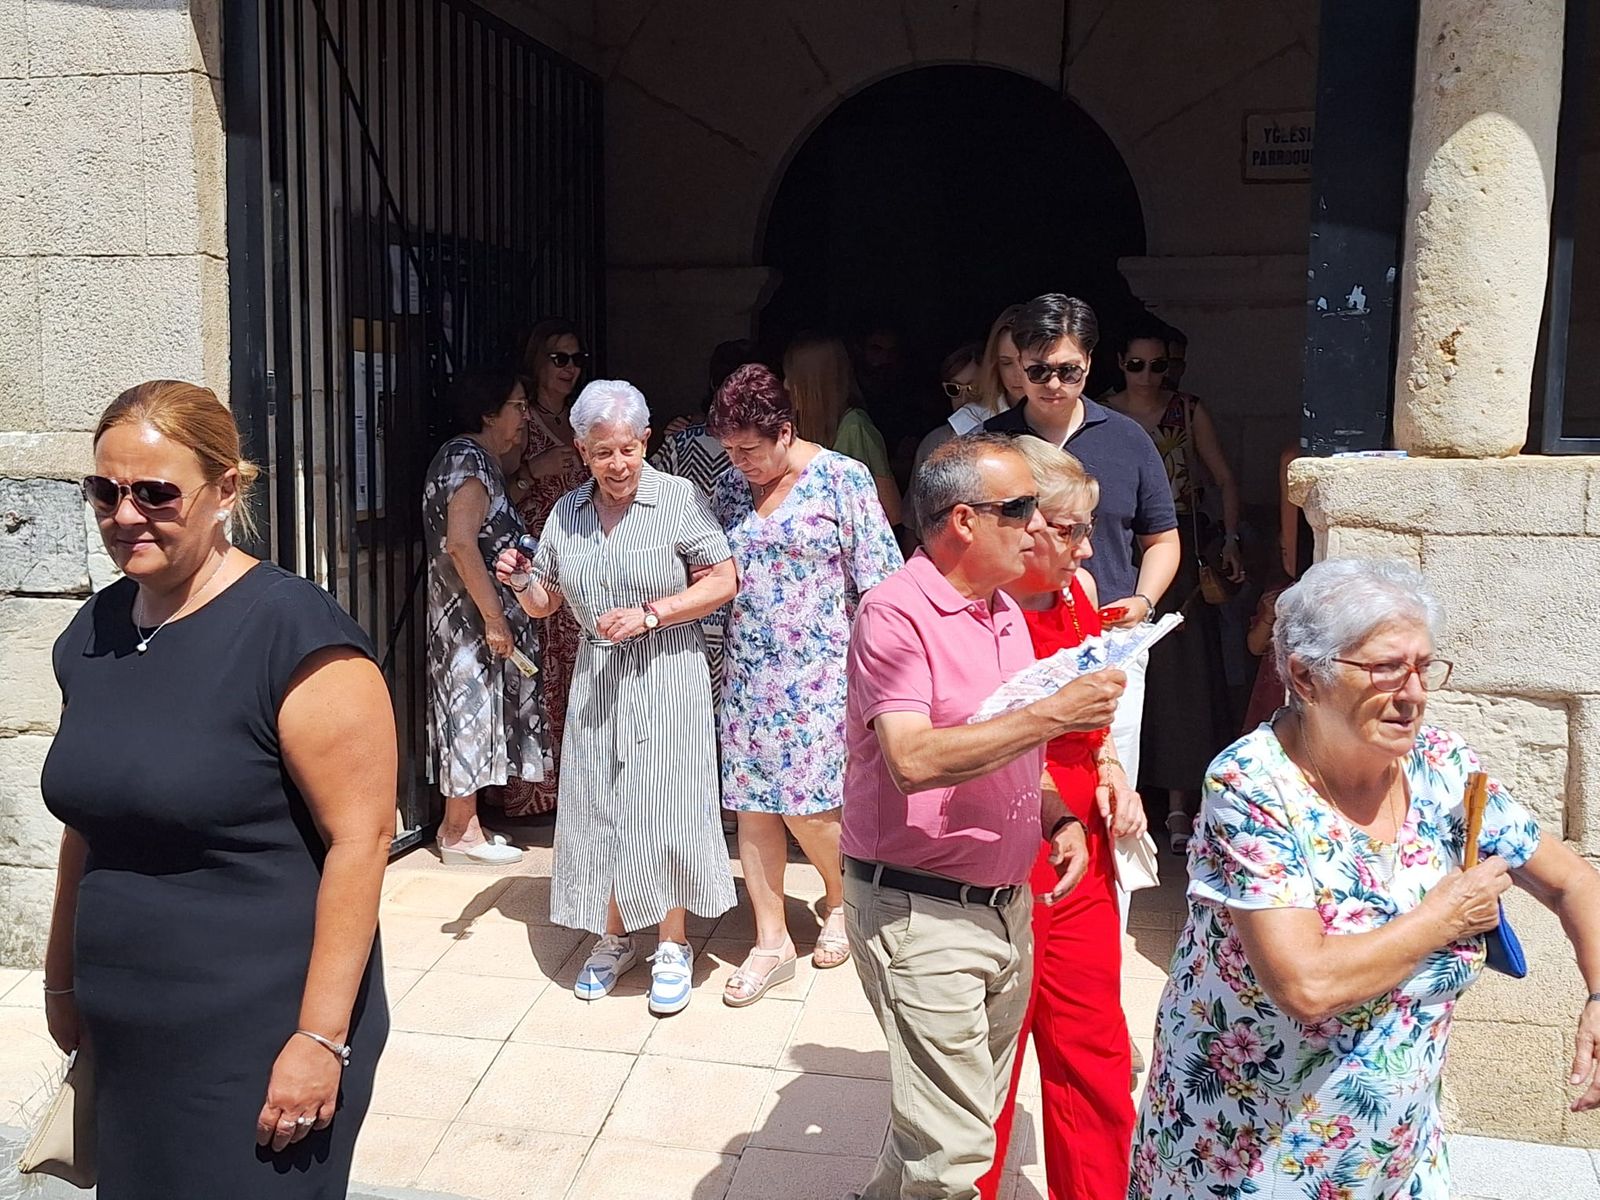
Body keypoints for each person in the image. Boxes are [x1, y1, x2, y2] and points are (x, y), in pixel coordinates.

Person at [1131, 558, 1600, 1199]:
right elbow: (1308, 983)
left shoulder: (1441, 766)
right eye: (1385, 668)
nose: (1414, 693)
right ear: (1305, 676)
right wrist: (1445, 917)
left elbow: (1572, 880)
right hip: (1252, 1153)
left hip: (1394, 1149)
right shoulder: (1253, 786)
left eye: (1423, 666)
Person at [41, 380, 393, 1198]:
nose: (125, 515)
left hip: (259, 1035)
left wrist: (320, 1038)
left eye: (156, 493)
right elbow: (88, 821)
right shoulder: (91, 634)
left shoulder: (294, 636)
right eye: (104, 490)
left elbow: (363, 838)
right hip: (128, 1034)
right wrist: (63, 980)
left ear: (226, 489)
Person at [842, 433, 1125, 1200]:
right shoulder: (894, 613)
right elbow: (915, 759)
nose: (1039, 527)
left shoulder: (999, 611)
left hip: (1002, 910)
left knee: (939, 1139)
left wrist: (1057, 816)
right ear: (964, 521)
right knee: (956, 1159)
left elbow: (999, 747)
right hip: (919, 910)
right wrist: (1054, 714)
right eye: (1022, 508)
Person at [494, 380, 739, 1016]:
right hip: (599, 681)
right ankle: (613, 936)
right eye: (604, 453)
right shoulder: (567, 513)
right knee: (599, 806)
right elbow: (547, 602)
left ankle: (673, 945)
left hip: (668, 675)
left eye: (629, 449)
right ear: (581, 450)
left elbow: (723, 578)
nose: (619, 464)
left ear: (646, 442)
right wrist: (522, 579)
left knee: (669, 806)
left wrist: (654, 614)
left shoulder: (677, 498)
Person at [976, 436, 1147, 1200]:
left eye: (1088, 529)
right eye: (1071, 530)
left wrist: (1112, 771)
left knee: (1092, 1038)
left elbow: (1094, 716)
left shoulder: (1077, 597)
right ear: (1020, 525)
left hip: (1084, 838)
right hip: (1009, 833)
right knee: (990, 1047)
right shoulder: (981, 612)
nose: (1087, 549)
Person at [706, 364, 902, 1006]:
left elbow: (880, 581)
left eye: (748, 450)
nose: (738, 463)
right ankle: (770, 941)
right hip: (746, 675)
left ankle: (842, 898)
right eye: (729, 451)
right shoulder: (735, 489)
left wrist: (883, 677)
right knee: (752, 807)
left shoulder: (842, 478)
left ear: (785, 431)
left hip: (821, 673)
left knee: (811, 807)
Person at [984, 294, 1181, 801]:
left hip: (1107, 637)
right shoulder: (988, 446)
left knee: (1112, 788)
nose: (1053, 385)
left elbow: (1161, 538)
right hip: (1008, 635)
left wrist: (1144, 602)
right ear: (1016, 365)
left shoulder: (1127, 438)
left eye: (1068, 371)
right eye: (1039, 370)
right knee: (1017, 786)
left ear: (1091, 363)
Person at [1105, 314, 1244, 853]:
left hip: (1178, 552)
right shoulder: (1099, 416)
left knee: (1185, 680)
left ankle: (1182, 805)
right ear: (1119, 364)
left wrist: (1230, 539)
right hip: (1117, 547)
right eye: (1136, 364)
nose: (1146, 375)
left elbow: (1223, 477)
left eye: (1157, 365)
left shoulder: (1186, 410)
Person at [421, 369, 548, 864]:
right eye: (517, 406)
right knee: (467, 711)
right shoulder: (468, 461)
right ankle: (458, 833)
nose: (525, 416)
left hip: (470, 616)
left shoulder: (479, 461)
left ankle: (468, 824)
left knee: (476, 711)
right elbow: (460, 543)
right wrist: (495, 617)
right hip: (467, 621)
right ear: (488, 413)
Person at [498, 318, 589, 816]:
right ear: (538, 361)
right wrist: (535, 471)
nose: (570, 368)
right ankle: (532, 795)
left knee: (573, 676)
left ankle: (572, 789)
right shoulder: (521, 421)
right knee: (537, 675)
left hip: (577, 561)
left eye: (576, 359)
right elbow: (498, 497)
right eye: (559, 358)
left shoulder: (580, 422)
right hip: (532, 561)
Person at [650, 338, 763, 703]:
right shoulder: (773, 451)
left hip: (686, 596)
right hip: (744, 604)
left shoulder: (681, 443)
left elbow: (642, 503)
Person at [785, 332, 903, 527]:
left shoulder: (855, 427)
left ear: (816, 383)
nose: (786, 385)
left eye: (793, 377)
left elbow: (891, 512)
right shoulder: (794, 428)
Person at [914, 305, 1025, 470]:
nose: (1018, 374)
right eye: (1006, 362)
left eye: (974, 388)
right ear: (994, 366)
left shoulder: (1071, 422)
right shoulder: (953, 436)